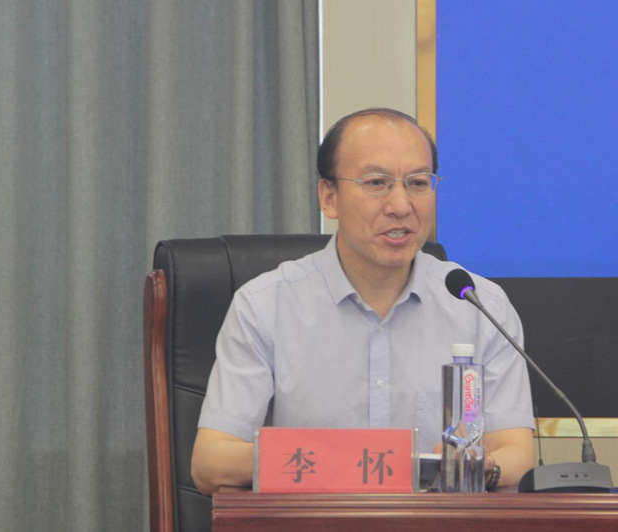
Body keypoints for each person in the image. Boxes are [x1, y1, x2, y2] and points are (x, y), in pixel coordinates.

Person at [191, 108, 536, 494]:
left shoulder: (478, 305)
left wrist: (483, 469)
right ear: (329, 197)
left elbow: (518, 455)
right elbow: (211, 463)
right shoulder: (265, 306)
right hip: (314, 519)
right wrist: (346, 460)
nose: (401, 205)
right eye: (376, 183)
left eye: (418, 183)